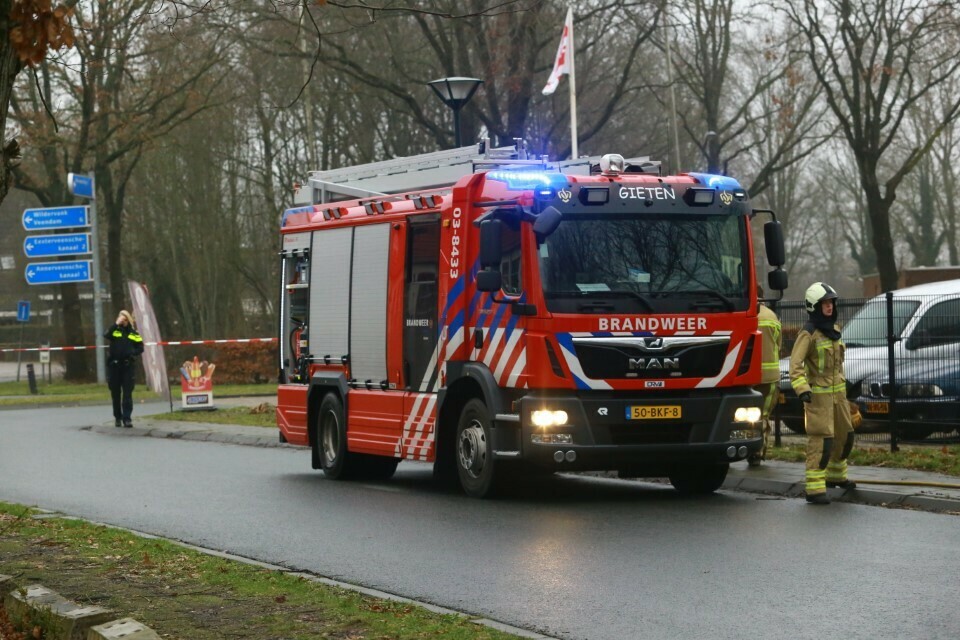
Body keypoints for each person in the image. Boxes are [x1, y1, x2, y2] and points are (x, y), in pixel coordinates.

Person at [789, 282, 856, 504]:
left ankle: (837, 477)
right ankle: (815, 489)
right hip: (818, 398)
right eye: (824, 303)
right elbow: (795, 365)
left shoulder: (834, 330)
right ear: (814, 306)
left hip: (838, 397)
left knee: (845, 436)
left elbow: (838, 365)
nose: (829, 307)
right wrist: (802, 390)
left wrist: (846, 388)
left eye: (831, 302)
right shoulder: (808, 334)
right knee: (821, 442)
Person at [748, 285, 781, 467]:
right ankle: (758, 452)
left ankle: (748, 448)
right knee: (763, 415)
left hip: (746, 377)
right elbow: (779, 344)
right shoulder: (772, 317)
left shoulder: (744, 315)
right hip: (770, 378)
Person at [105, 310, 144, 428]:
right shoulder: (114, 331)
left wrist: (133, 352)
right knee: (115, 393)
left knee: (127, 394)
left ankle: (127, 418)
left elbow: (140, 347)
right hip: (115, 366)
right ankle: (118, 417)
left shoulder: (133, 333)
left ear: (128, 320)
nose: (122, 321)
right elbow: (106, 334)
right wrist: (116, 324)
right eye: (120, 319)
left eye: (124, 319)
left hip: (127, 367)